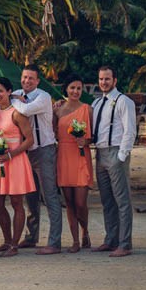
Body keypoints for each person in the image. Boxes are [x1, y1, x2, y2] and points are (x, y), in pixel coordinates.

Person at [11, 63, 62, 254]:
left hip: (44, 150)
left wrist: (13, 99)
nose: (26, 81)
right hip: (26, 152)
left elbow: (23, 110)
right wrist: (8, 97)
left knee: (49, 196)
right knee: (30, 197)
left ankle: (54, 242)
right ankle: (31, 237)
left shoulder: (43, 96)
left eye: (31, 78)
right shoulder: (16, 93)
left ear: (37, 81)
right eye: (24, 77)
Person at [0, 77, 36, 257]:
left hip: (14, 160)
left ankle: (14, 244)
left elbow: (29, 140)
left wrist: (10, 155)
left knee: (16, 203)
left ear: (8, 92)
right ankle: (6, 240)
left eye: (1, 91)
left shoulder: (17, 112)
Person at [91, 66, 136, 257]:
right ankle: (111, 240)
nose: (104, 82)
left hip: (116, 152)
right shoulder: (96, 103)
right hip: (100, 153)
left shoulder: (124, 101)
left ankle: (124, 244)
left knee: (122, 201)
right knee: (107, 201)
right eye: (101, 79)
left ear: (115, 80)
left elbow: (130, 130)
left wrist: (122, 156)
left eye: (107, 79)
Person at [54, 75, 94, 252]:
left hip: (80, 156)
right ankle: (75, 240)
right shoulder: (58, 109)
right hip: (63, 154)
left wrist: (84, 142)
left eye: (79, 88)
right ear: (66, 89)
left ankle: (85, 230)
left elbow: (93, 136)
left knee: (80, 202)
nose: (76, 91)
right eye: (72, 88)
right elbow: (53, 132)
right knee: (69, 201)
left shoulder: (88, 109)